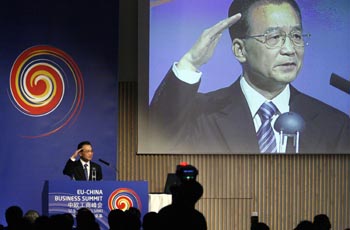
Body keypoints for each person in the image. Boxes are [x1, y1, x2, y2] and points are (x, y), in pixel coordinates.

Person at [149, 0, 350, 154]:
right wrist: (191, 62)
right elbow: (156, 135)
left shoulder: (334, 124)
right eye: (274, 38)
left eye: (296, 36)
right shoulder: (201, 114)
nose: (290, 49)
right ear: (240, 50)